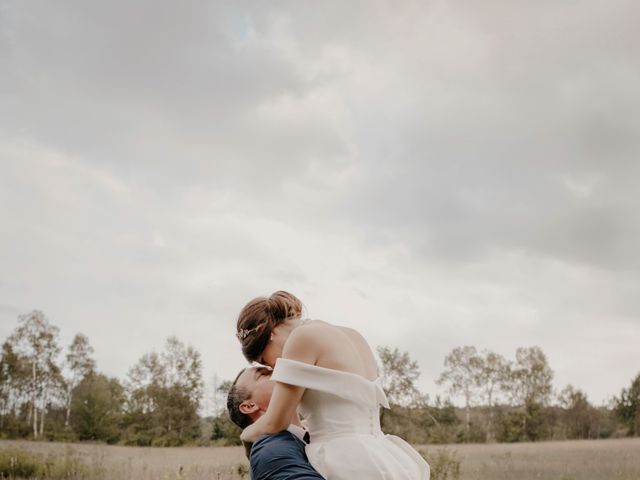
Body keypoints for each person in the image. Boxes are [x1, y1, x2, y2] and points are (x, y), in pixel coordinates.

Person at [235, 291, 430, 480]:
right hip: (382, 455)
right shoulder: (353, 335)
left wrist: (246, 435)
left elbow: (275, 422)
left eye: (264, 360)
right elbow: (343, 403)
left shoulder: (301, 338)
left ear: (266, 333)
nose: (273, 368)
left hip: (344, 459)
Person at [227, 365, 324, 480]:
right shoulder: (270, 451)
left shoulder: (310, 433)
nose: (276, 370)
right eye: (262, 374)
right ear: (249, 406)